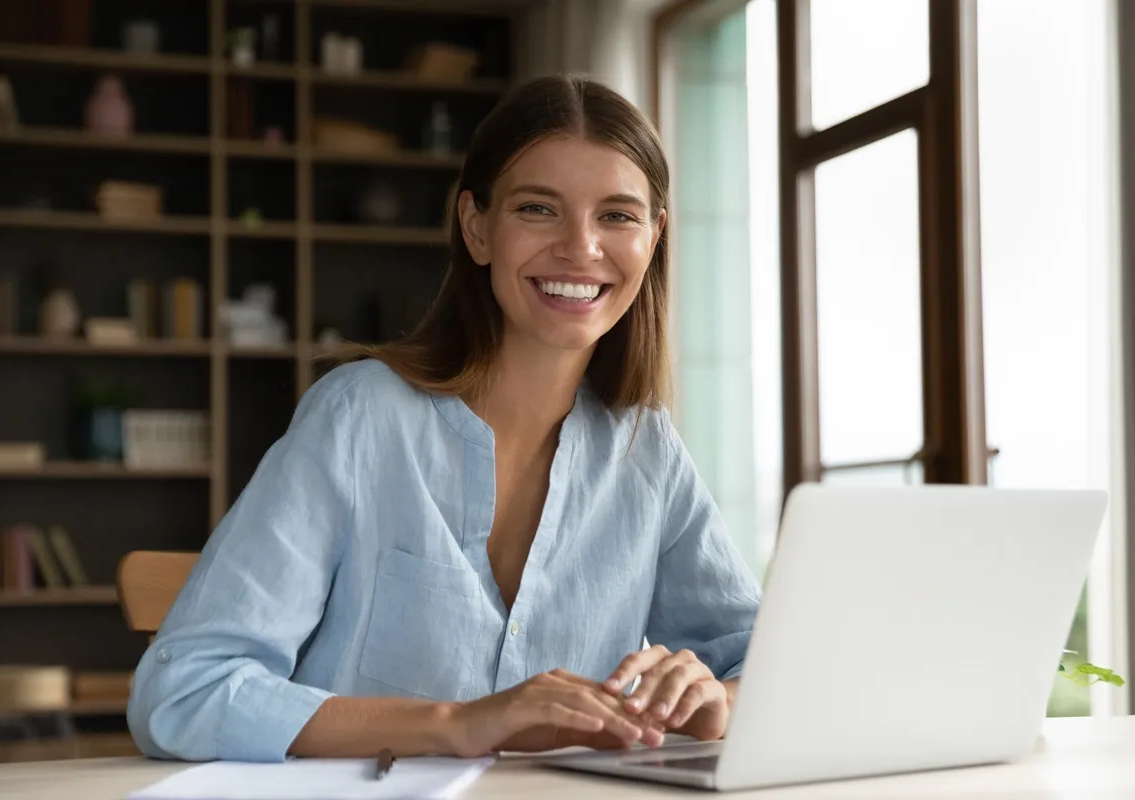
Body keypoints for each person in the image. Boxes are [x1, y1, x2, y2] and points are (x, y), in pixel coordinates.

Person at [127, 74, 761, 763]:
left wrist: (717, 701)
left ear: (654, 238)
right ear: (478, 227)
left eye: (617, 215)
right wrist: (459, 723)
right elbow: (182, 691)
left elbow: (765, 658)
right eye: (538, 209)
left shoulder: (647, 450)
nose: (582, 248)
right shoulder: (360, 417)